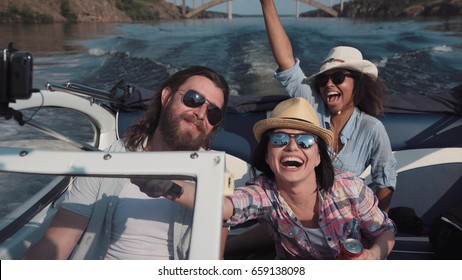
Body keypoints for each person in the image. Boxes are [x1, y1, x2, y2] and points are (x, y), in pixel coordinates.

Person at [142, 97, 397, 260]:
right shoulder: (265, 193)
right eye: (279, 139)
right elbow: (225, 205)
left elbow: (385, 231)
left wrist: (372, 256)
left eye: (306, 141)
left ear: (319, 156)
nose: (292, 147)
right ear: (267, 154)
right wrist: (166, 186)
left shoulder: (350, 188)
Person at [22, 65, 230, 260]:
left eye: (214, 113)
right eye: (193, 99)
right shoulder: (112, 159)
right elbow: (59, 240)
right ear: (166, 97)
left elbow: (213, 259)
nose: (201, 114)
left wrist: (169, 187)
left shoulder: (215, 172)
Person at [260, 0, 397, 211]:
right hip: (296, 207)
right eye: (323, 81)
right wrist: (267, 3)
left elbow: (385, 182)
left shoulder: (371, 129)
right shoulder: (312, 103)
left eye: (339, 77)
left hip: (342, 216)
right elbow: (286, 62)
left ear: (358, 83)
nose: (329, 85)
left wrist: (374, 225)